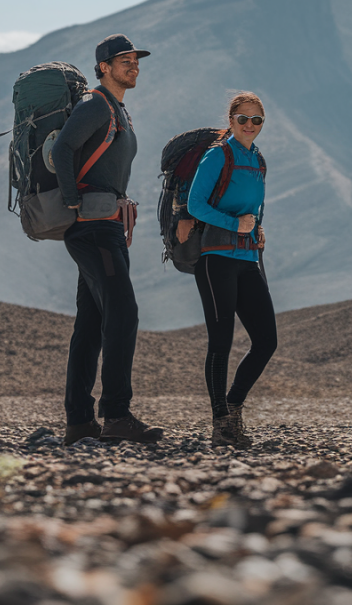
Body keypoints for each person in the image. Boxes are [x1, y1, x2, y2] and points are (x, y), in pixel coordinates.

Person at [50, 34, 163, 445]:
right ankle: (115, 414)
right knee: (124, 312)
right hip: (94, 228)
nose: (133, 65)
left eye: (136, 59)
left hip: (107, 225)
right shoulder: (96, 104)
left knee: (92, 322)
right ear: (103, 67)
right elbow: (64, 148)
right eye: (124, 60)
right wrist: (72, 201)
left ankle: (79, 421)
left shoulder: (118, 109)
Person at [185, 92, 277, 448]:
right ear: (231, 120)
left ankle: (233, 406)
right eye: (243, 119)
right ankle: (221, 423)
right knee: (221, 342)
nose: (249, 126)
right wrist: (234, 224)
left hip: (246, 259)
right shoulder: (218, 155)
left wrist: (257, 228)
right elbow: (196, 204)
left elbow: (255, 207)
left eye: (257, 121)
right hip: (216, 259)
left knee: (266, 341)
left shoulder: (258, 160)